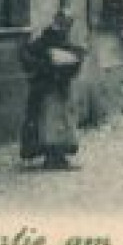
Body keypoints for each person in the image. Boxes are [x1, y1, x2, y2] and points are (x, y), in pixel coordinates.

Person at [19, 10, 87, 170]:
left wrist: (74, 59)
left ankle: (59, 155)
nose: (67, 27)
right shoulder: (46, 39)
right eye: (65, 23)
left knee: (62, 120)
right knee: (49, 121)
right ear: (58, 22)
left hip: (60, 86)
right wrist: (48, 65)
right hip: (46, 88)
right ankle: (51, 156)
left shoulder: (63, 39)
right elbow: (28, 57)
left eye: (69, 24)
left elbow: (73, 55)